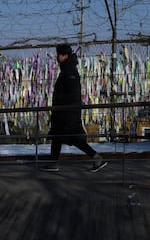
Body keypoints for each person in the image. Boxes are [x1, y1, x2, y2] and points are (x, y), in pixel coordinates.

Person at [41, 44, 107, 172]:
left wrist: (62, 107)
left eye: (59, 54)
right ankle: (53, 163)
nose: (57, 57)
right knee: (57, 137)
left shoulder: (69, 71)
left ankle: (96, 157)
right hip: (64, 112)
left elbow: (71, 94)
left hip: (67, 113)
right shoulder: (67, 70)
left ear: (65, 56)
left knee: (73, 139)